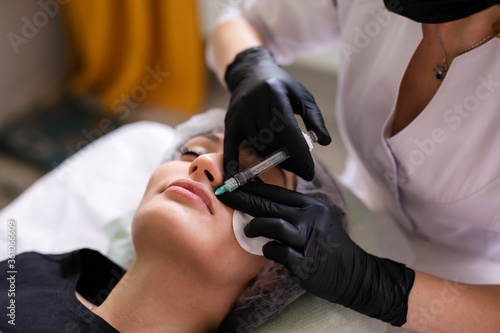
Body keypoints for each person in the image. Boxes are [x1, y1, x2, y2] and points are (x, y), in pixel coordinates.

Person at [209, 1, 500, 332]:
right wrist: (248, 66)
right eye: (189, 152)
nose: (205, 164)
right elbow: (242, 22)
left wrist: (379, 288)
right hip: (355, 217)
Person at [0, 128, 347, 332]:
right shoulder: (35, 271)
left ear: (277, 270)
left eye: (253, 178)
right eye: (191, 151)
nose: (203, 162)